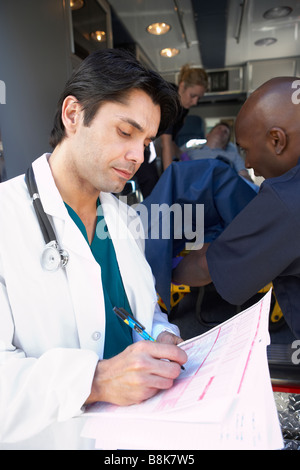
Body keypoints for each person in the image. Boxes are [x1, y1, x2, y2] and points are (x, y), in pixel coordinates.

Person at [0, 48, 187, 450]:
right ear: (72, 115)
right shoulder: (6, 219)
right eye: (125, 132)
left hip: (138, 436)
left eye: (147, 141)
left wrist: (161, 335)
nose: (139, 156)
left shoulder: (126, 220)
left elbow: (144, 311)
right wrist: (96, 381)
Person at [172, 76, 300, 340]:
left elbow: (208, 267)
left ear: (277, 140)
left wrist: (157, 272)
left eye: (247, 150)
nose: (249, 163)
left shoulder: (286, 197)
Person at [160, 64, 208, 171]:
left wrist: (183, 157)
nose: (195, 102)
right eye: (192, 96)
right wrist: (169, 177)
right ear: (182, 86)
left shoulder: (184, 109)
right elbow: (165, 142)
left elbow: (171, 142)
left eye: (198, 98)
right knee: (150, 180)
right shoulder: (170, 99)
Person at [185, 121, 253, 182]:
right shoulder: (190, 152)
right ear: (207, 135)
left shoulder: (233, 156)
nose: (222, 131)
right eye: (219, 128)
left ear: (227, 142)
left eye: (225, 132)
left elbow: (245, 178)